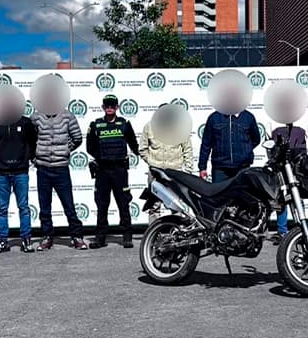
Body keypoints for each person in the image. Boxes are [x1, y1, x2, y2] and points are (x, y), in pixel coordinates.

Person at [86, 94, 140, 249]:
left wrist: (146, 156)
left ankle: (127, 236)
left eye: (112, 105)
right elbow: (90, 147)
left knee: (124, 203)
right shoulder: (96, 125)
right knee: (102, 204)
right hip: (103, 170)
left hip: (119, 170)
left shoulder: (124, 124)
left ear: (117, 107)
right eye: (107, 105)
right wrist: (102, 157)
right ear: (103, 107)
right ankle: (100, 238)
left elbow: (134, 144)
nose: (109, 108)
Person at [33, 96, 87, 251]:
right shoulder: (36, 117)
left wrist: (65, 150)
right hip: (43, 168)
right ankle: (47, 236)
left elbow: (77, 138)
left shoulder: (67, 116)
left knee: (69, 205)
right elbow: (30, 139)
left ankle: (76, 237)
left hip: (61, 168)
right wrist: (34, 156)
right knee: (44, 206)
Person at [0, 106, 38, 254]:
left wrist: (26, 158)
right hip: (1, 172)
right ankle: (2, 240)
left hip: (21, 171)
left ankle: (26, 240)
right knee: (2, 209)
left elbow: (33, 142)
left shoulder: (25, 122)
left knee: (24, 207)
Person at [139, 104, 194, 219]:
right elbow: (142, 149)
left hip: (174, 173)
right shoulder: (149, 127)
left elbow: (187, 149)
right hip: (155, 173)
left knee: (177, 205)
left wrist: (188, 170)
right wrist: (152, 162)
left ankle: (177, 229)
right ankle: (154, 230)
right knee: (153, 206)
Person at [198, 107, 261, 183]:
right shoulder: (214, 118)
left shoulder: (248, 117)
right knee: (219, 191)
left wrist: (245, 150)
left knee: (243, 190)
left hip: (242, 168)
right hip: (220, 169)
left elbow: (256, 139)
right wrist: (202, 167)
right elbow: (206, 144)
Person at [270, 123, 308, 243]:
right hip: (280, 170)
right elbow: (272, 152)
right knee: (281, 199)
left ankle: (302, 229)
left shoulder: (300, 130)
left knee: (298, 199)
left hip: (296, 171)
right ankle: (282, 231)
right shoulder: (276, 130)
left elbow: (304, 152)